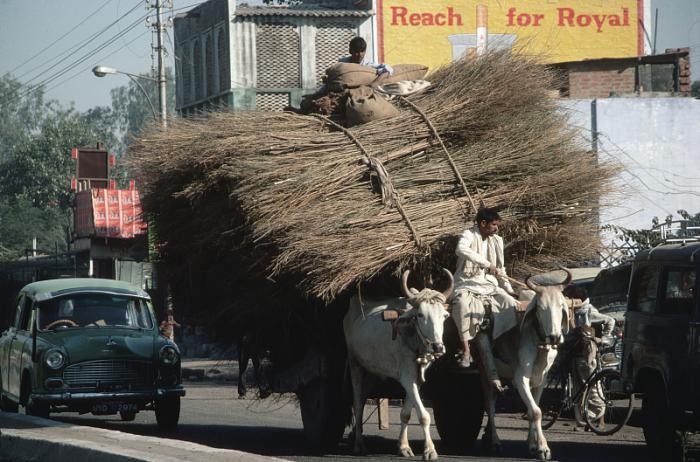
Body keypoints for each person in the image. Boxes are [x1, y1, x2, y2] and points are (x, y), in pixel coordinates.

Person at [451, 207, 518, 391]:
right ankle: (466, 349)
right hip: (466, 283)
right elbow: (460, 249)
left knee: (510, 304)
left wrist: (509, 289)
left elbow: (501, 269)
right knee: (461, 305)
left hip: (488, 285)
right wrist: (487, 264)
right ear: (483, 224)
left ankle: (499, 344)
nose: (497, 228)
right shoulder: (468, 235)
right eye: (494, 225)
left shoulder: (497, 241)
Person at [566, 286, 615, 427]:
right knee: (580, 388)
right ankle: (587, 420)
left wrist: (602, 339)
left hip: (587, 354)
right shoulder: (576, 312)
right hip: (578, 353)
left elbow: (610, 321)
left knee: (592, 386)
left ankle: (597, 418)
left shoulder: (588, 311)